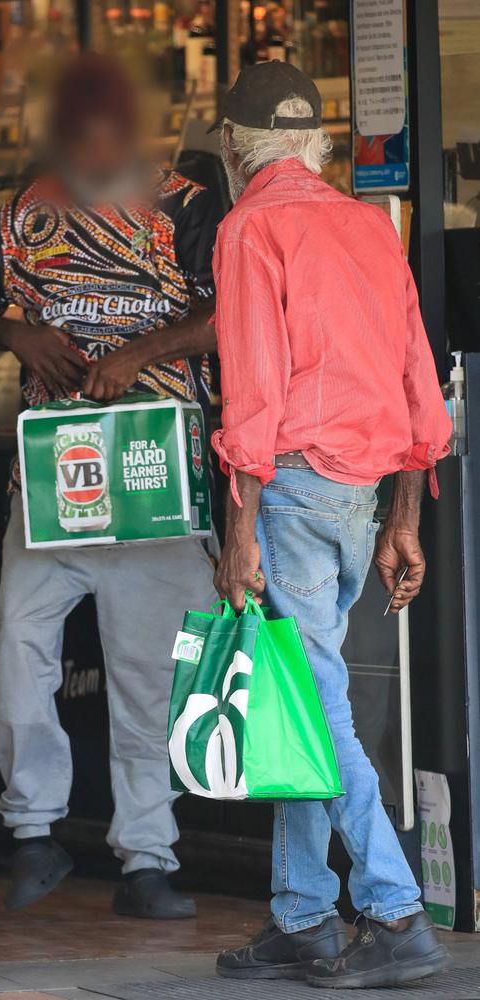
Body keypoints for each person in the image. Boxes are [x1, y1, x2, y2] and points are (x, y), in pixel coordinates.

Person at [0, 54, 219, 919]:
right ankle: (32, 830)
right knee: (17, 649)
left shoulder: (189, 207)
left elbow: (231, 314)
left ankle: (146, 859)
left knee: (145, 679)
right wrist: (17, 338)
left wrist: (138, 353)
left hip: (159, 475)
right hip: (52, 480)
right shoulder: (24, 212)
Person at [209, 61, 453, 988]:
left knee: (312, 710)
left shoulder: (249, 228)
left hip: (294, 491)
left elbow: (256, 398)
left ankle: (394, 913)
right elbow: (417, 387)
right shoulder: (367, 224)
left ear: (233, 147)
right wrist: (404, 521)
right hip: (362, 500)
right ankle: (304, 916)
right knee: (298, 694)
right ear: (316, 143)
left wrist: (240, 532)